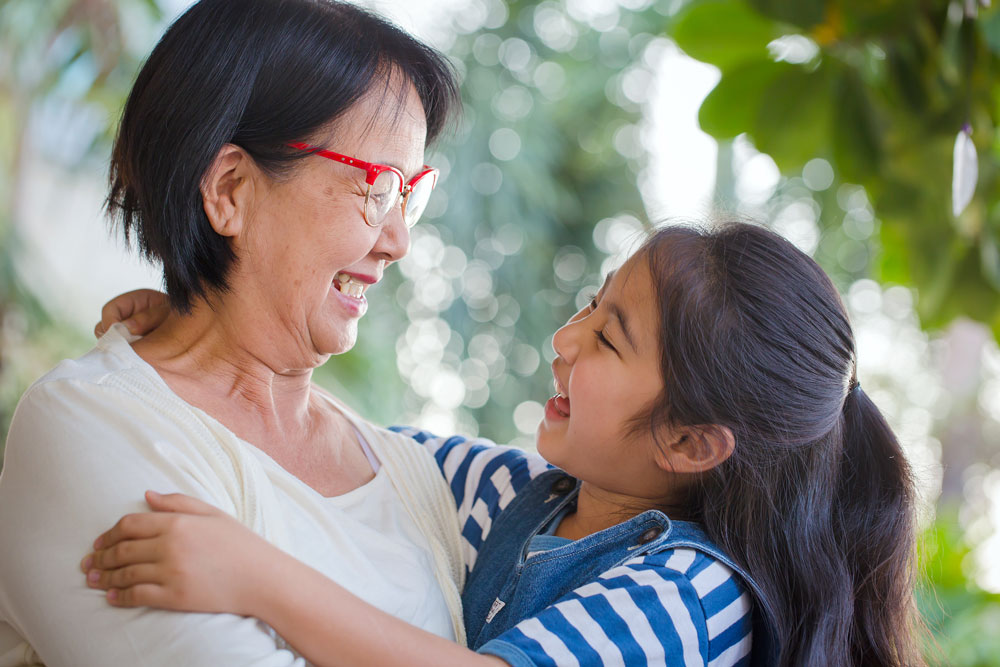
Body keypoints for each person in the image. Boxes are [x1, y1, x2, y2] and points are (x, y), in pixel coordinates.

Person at [81, 223, 924, 667]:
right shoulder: (516, 494)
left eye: (610, 338)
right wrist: (208, 339)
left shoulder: (693, 597)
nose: (564, 338)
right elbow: (337, 442)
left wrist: (254, 575)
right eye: (590, 305)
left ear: (690, 440)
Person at [0, 1, 465, 664]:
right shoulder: (91, 424)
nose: (398, 242)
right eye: (377, 189)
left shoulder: (411, 471)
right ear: (230, 189)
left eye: (409, 192)